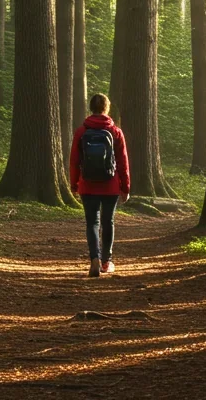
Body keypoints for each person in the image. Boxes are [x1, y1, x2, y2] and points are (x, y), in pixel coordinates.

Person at [69, 93, 130, 277]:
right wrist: (125, 187)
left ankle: (94, 258)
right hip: (110, 185)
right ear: (107, 108)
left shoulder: (81, 131)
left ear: (91, 108)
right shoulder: (115, 131)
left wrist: (74, 183)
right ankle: (106, 262)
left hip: (87, 184)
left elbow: (74, 160)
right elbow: (123, 161)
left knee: (92, 223)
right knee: (108, 221)